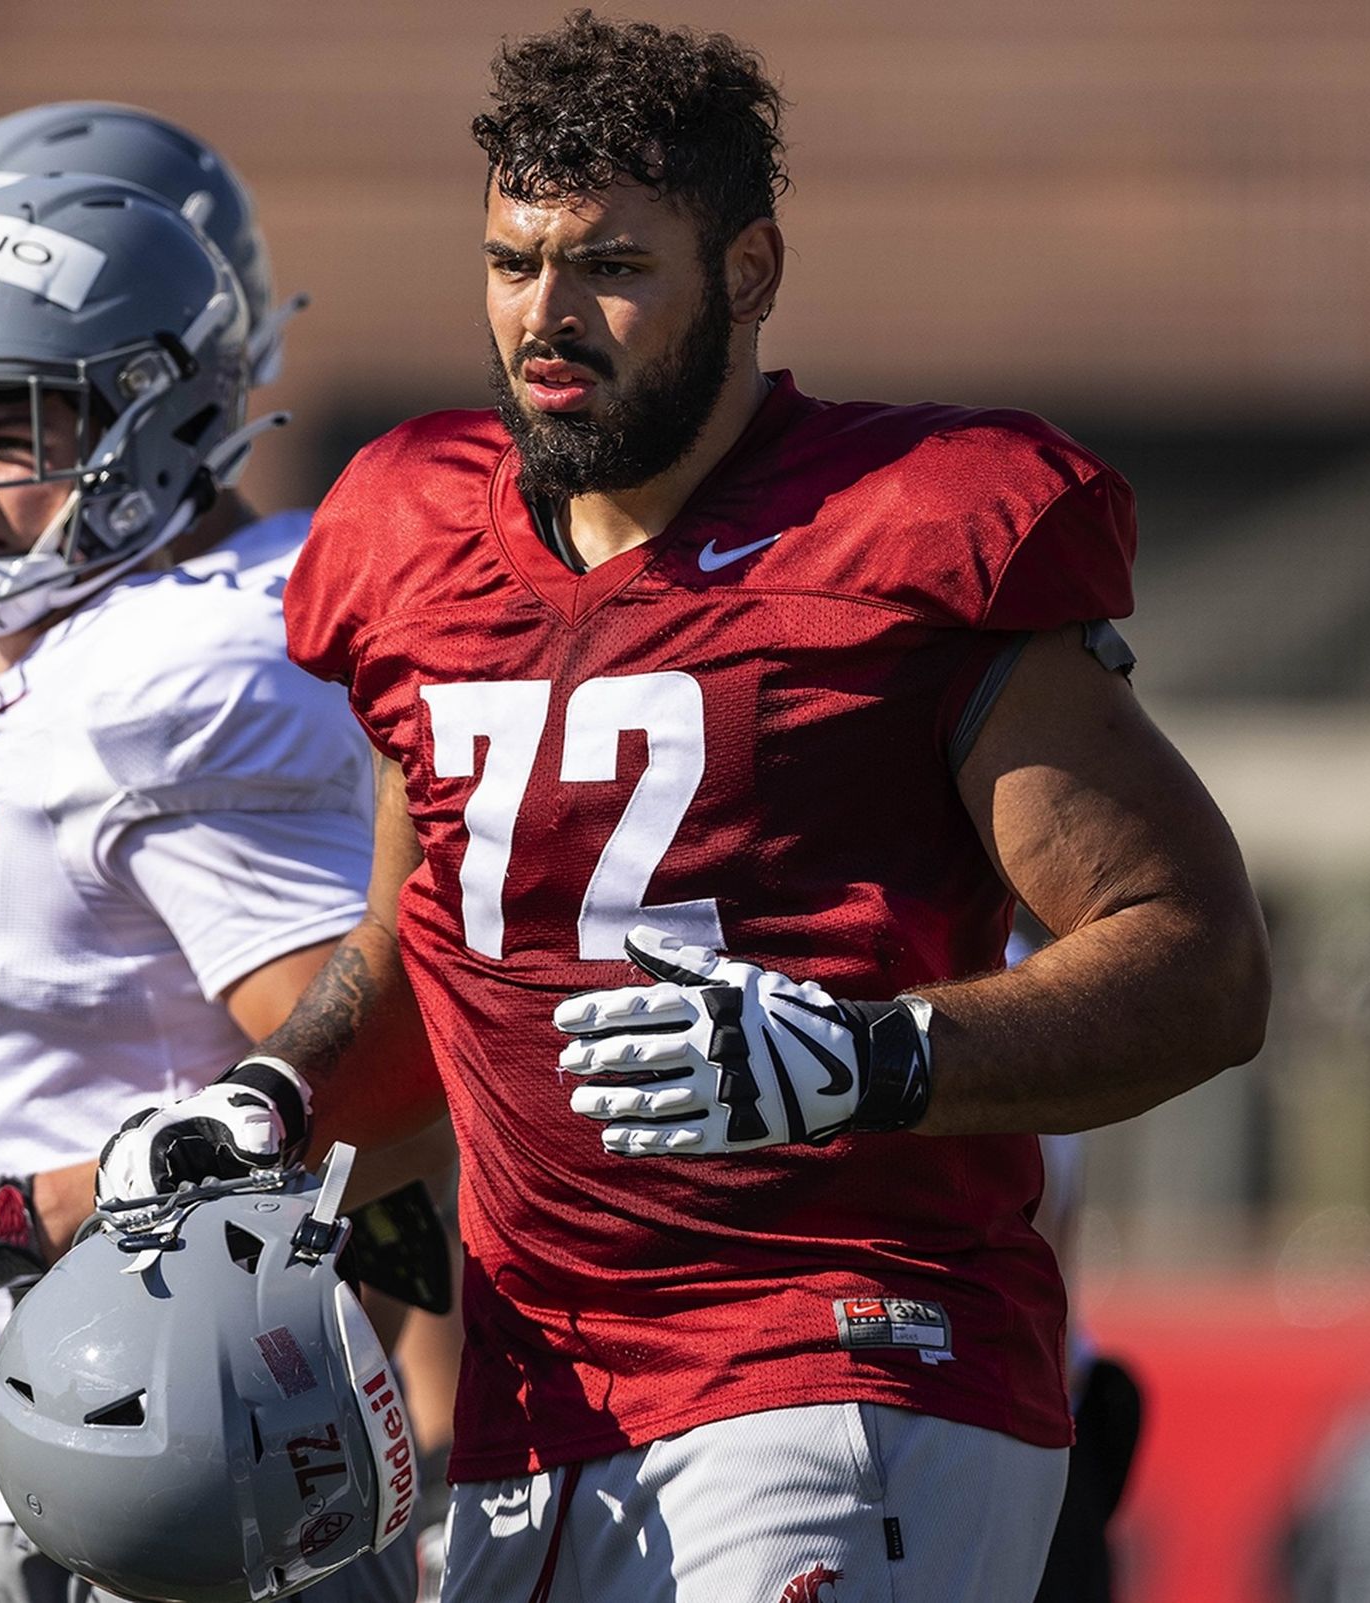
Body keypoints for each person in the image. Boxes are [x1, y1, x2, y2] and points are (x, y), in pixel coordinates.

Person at [98, 13, 1271, 1603]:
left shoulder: (911, 526)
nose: (547, 319)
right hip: (538, 1394)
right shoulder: (407, 533)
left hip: (847, 1355)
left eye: (612, 267)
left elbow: (1198, 959)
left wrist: (874, 1056)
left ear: (753, 267)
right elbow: (422, 954)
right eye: (513, 264)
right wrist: (275, 1105)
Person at [0, 168, 415, 1603]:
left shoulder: (191, 665)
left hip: (176, 1472)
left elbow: (372, 1098)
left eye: (8, 432)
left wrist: (24, 1213)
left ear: (160, 418)